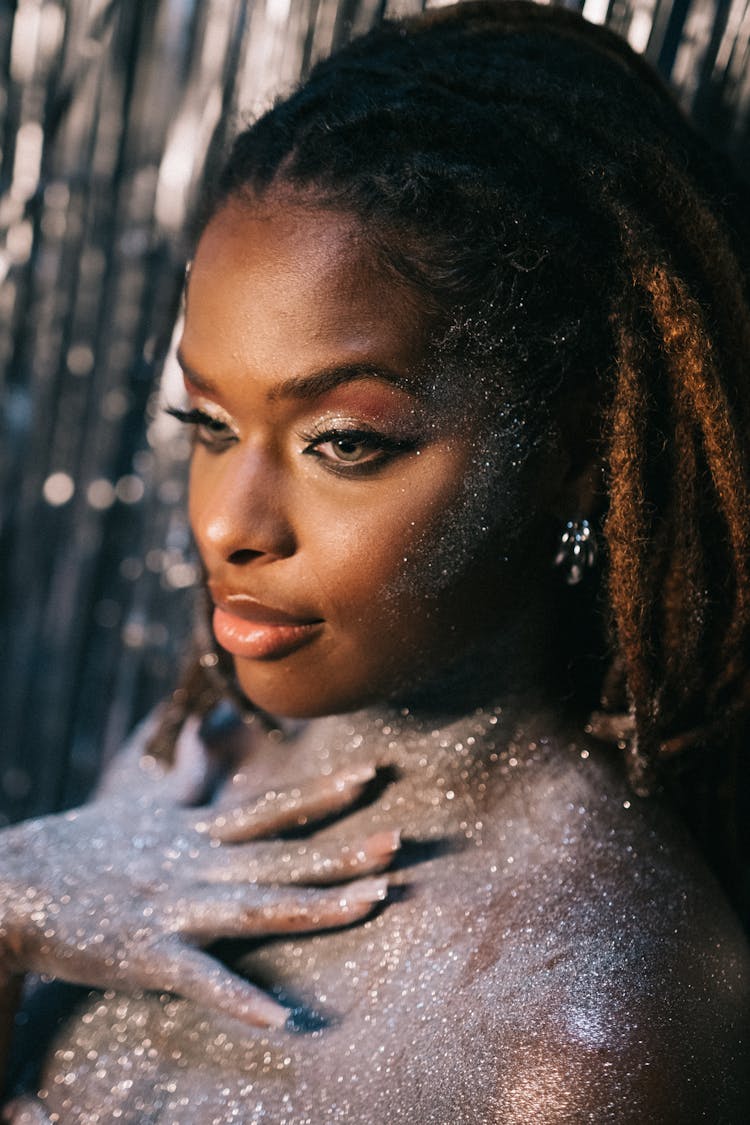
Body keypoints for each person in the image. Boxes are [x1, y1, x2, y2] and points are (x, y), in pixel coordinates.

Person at [2, 1, 750, 1119]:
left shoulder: (598, 1027)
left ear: (580, 453)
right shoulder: (204, 752)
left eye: (342, 444)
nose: (227, 525)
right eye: (207, 424)